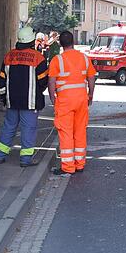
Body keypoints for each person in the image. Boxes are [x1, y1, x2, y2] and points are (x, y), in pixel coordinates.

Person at [0, 25, 48, 166]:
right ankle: (25, 160)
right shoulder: (38, 58)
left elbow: (1, 79)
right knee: (28, 130)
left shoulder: (9, 56)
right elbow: (43, 81)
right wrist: (37, 93)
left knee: (9, 127)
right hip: (29, 103)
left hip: (11, 101)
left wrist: (3, 97)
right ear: (32, 41)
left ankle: (0, 155)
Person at [47, 30, 95, 176]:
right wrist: (91, 94)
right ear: (73, 41)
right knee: (80, 130)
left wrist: (52, 96)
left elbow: (52, 81)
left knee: (66, 132)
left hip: (65, 100)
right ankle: (80, 164)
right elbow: (91, 78)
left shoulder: (57, 60)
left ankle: (68, 167)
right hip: (81, 99)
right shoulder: (84, 58)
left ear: (61, 44)